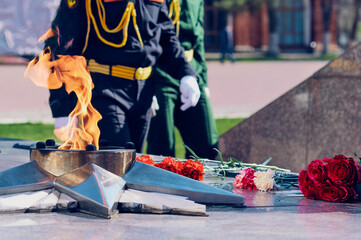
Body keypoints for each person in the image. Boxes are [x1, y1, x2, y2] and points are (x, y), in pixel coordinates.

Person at [45, 0, 201, 152]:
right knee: (115, 164)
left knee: (132, 163)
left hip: (144, 92)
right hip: (104, 89)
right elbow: (61, 43)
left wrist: (186, 74)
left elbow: (167, 38)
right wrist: (62, 107)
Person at [146, 0, 219, 159]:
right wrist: (145, 85)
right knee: (162, 148)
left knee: (207, 145)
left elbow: (198, 36)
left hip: (192, 73)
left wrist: (203, 80)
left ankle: (196, 183)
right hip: (160, 73)